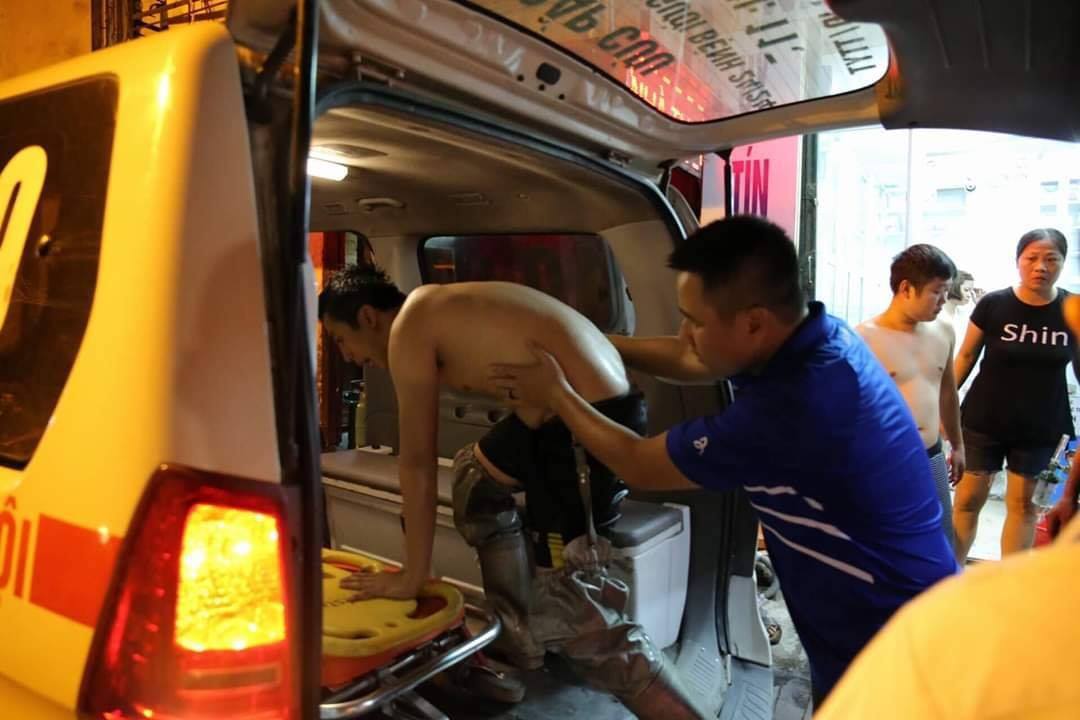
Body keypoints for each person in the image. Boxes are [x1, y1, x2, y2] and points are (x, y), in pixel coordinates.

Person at [489, 216, 957, 707]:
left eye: (694, 320)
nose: (685, 333)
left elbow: (638, 463)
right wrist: (588, 344)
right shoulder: (816, 340)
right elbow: (690, 358)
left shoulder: (793, 406)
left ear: (753, 322)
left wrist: (556, 394)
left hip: (894, 639)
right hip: (878, 619)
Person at [317, 266, 704, 719]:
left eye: (340, 339)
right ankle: (519, 637)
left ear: (368, 317)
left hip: (584, 425)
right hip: (564, 413)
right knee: (475, 479)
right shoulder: (438, 309)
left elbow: (417, 463)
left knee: (574, 617)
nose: (347, 355)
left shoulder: (408, 329)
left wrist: (412, 576)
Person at [952, 228, 1080, 561]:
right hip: (983, 421)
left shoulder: (1072, 310)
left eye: (1051, 259)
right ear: (1018, 261)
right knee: (967, 501)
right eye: (1032, 258)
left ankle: (1010, 583)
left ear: (1063, 262)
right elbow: (966, 356)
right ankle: (950, 577)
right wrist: (944, 406)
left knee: (1024, 507)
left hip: (1042, 428)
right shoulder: (994, 304)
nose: (1041, 267)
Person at [856, 244, 964, 548]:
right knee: (886, 546)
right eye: (937, 292)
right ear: (906, 289)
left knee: (940, 542)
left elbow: (947, 393)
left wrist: (957, 444)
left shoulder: (944, 331)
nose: (943, 301)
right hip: (883, 461)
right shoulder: (863, 338)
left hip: (932, 454)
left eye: (946, 292)